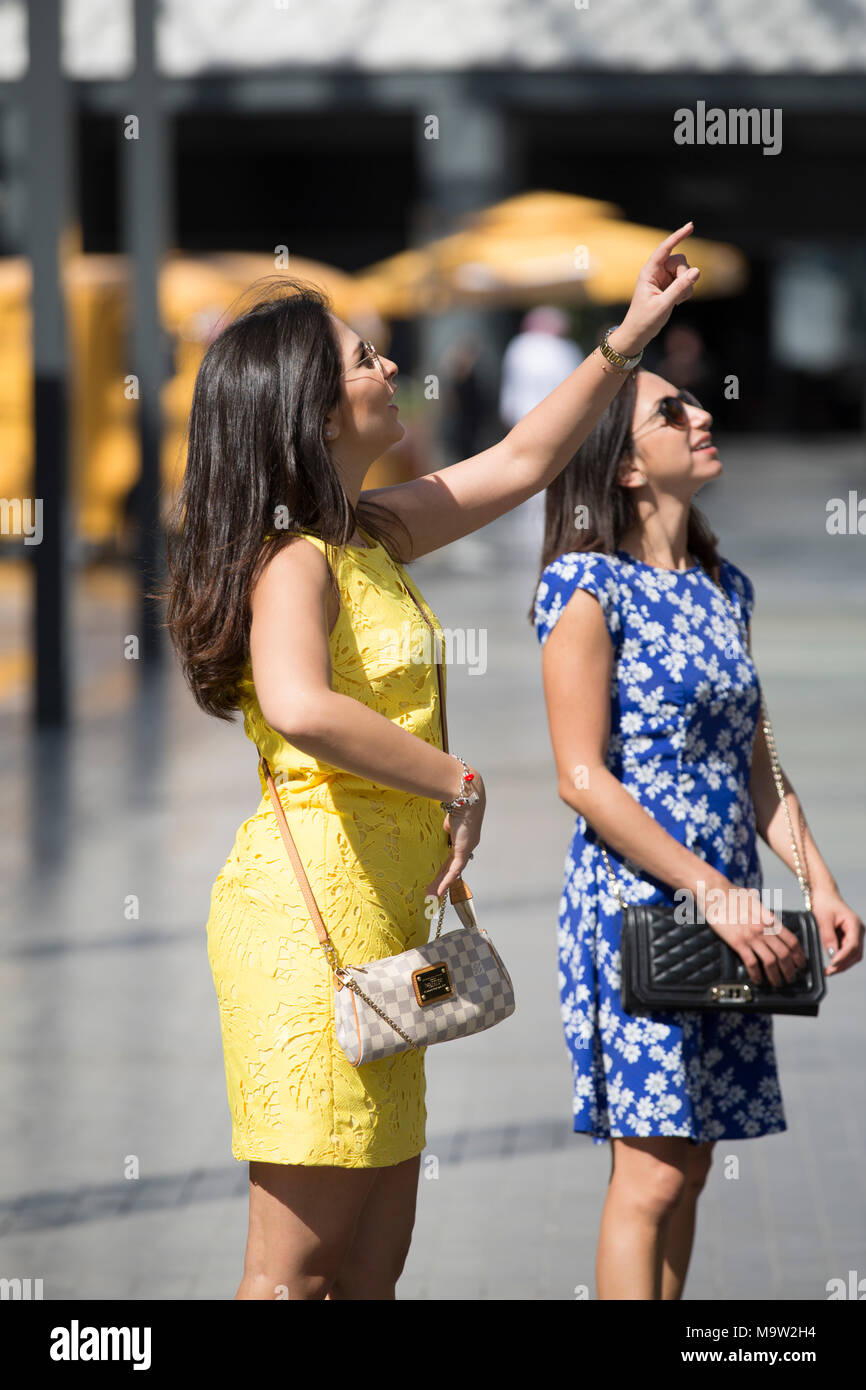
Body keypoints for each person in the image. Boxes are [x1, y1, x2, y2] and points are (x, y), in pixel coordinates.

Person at [164, 225, 701, 1301]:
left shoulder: (364, 533)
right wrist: (451, 775)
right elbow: (298, 701)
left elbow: (517, 461)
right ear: (308, 407)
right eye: (364, 359)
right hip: (305, 926)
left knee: (372, 1266)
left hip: (384, 926)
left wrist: (626, 340)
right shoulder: (292, 562)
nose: (391, 367)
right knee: (293, 1275)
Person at [531, 369, 864, 1300]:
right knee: (652, 1175)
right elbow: (581, 776)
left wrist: (819, 883)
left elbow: (758, 766)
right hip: (640, 906)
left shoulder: (726, 587)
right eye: (670, 412)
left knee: (694, 1167)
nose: (702, 414)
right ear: (626, 467)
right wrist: (711, 891)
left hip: (737, 912)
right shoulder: (585, 586)